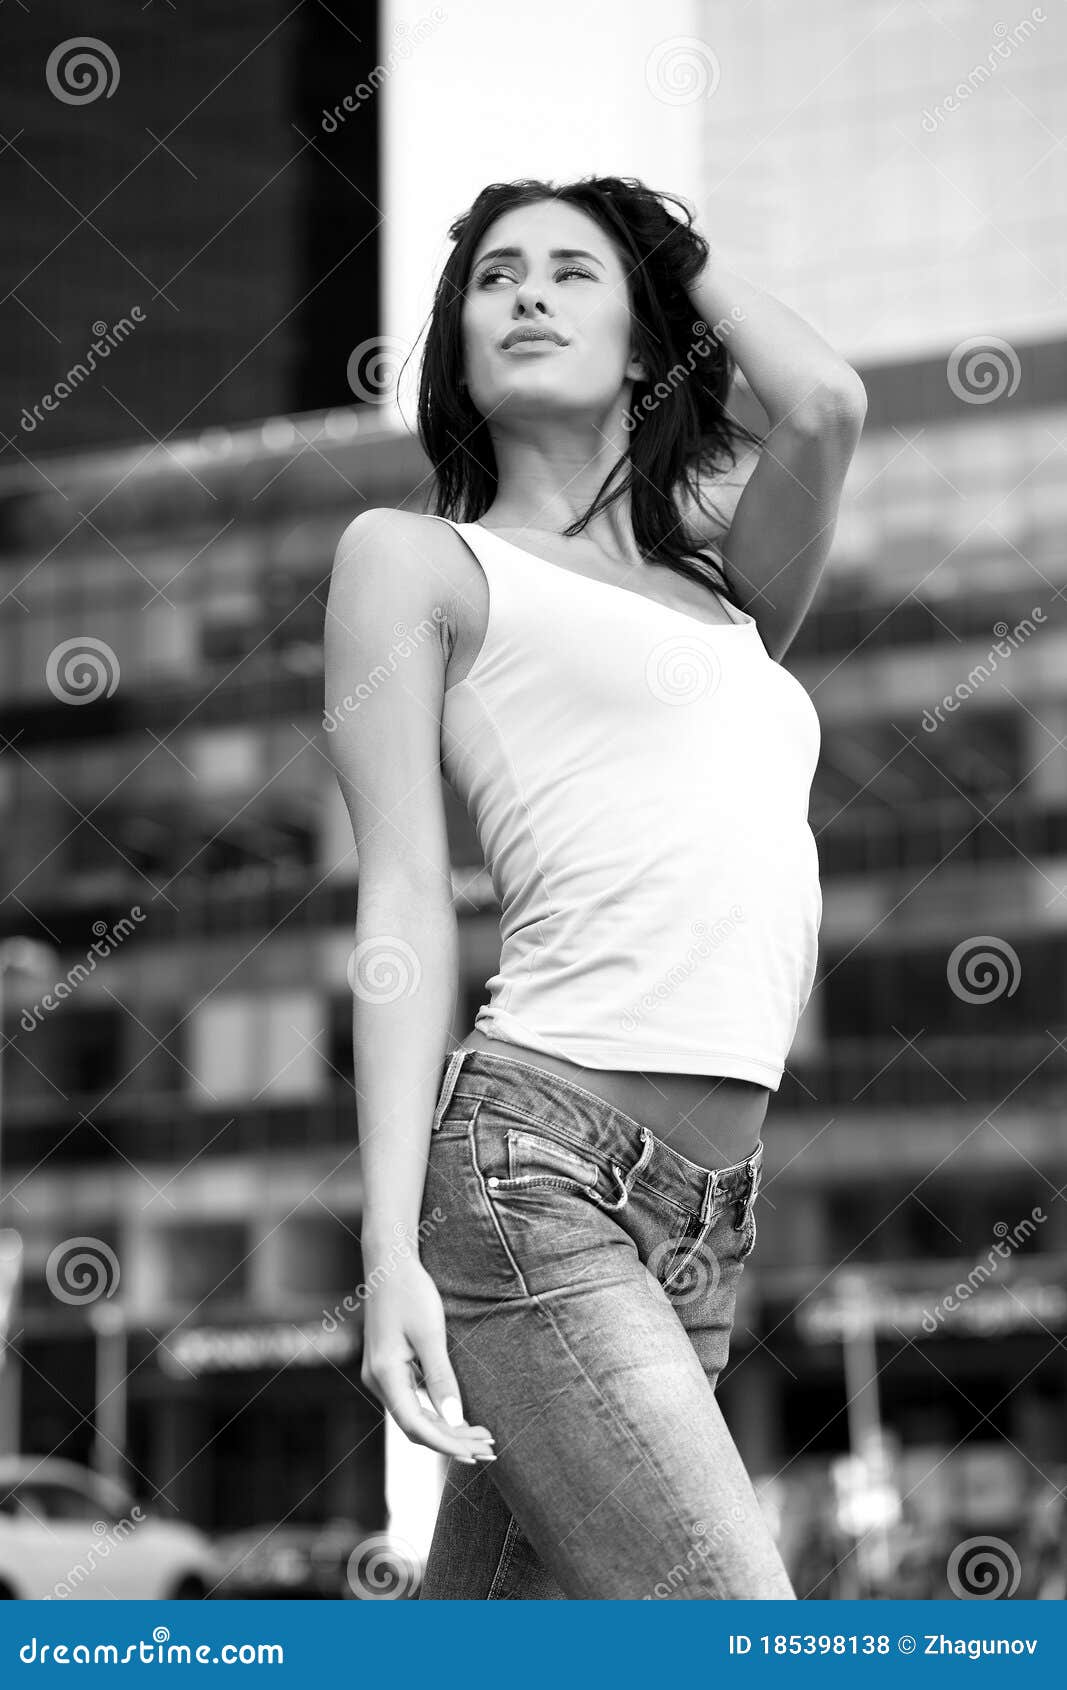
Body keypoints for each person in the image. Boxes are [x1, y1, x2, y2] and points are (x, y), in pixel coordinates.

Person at [324, 175, 867, 1599]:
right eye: (496, 277)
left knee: (497, 1636)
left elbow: (825, 403)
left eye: (573, 272)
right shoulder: (418, 559)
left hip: (709, 1208)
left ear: (647, 338)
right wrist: (388, 1251)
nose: (526, 294)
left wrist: (668, 250)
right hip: (535, 1171)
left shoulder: (733, 597)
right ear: (459, 346)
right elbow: (399, 901)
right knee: (737, 1628)